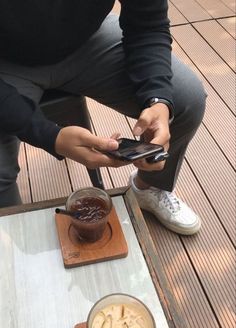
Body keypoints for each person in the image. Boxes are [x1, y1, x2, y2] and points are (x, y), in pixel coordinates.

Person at [0, 0, 206, 234]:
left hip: (85, 38)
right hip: (6, 60)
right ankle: (10, 237)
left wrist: (158, 98)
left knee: (187, 99)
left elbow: (148, 23)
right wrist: (49, 136)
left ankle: (148, 188)